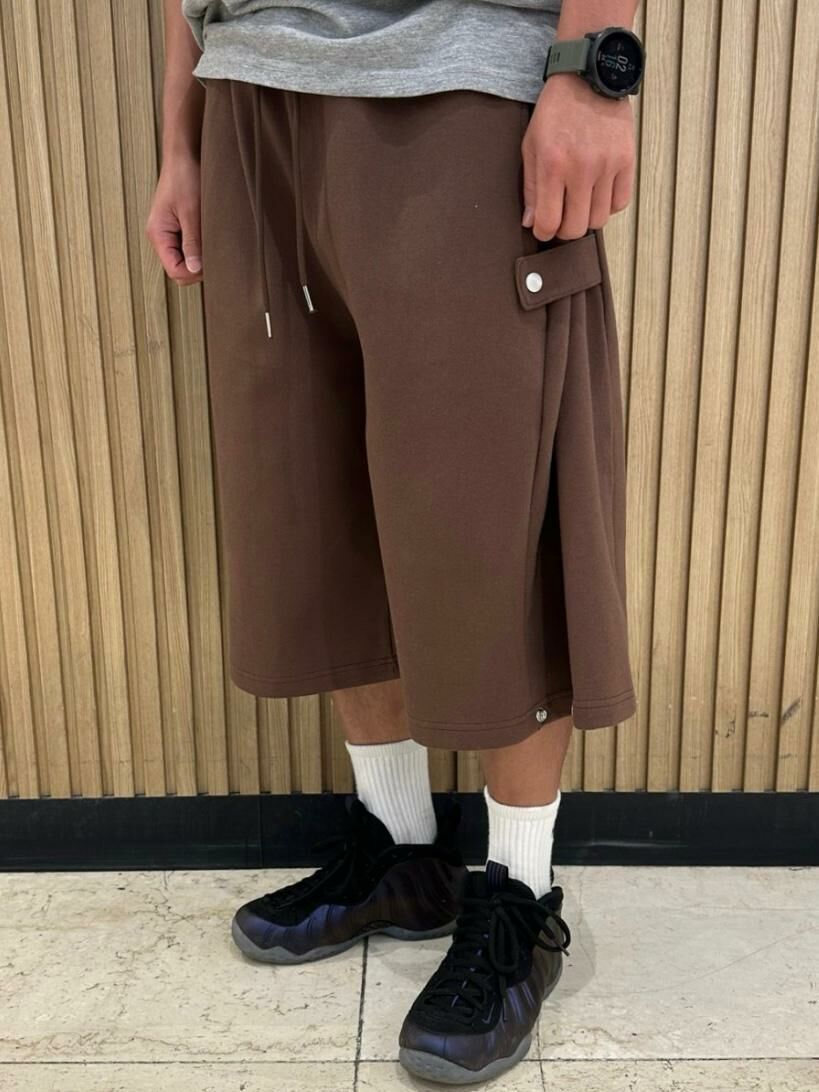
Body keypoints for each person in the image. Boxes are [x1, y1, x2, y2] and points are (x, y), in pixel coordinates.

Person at [148, 1, 643, 1083]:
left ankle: (518, 893)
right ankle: (401, 850)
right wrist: (181, 136)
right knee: (316, 495)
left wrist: (593, 75)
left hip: (455, 73)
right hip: (252, 91)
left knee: (488, 510)